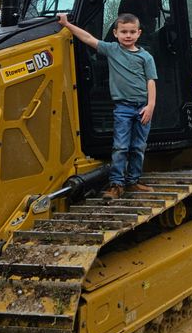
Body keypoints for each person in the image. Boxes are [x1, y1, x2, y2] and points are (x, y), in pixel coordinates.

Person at [58, 11, 157, 199]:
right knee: (120, 146)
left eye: (132, 32)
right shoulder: (112, 50)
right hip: (123, 108)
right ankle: (116, 184)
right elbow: (88, 38)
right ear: (115, 33)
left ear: (139, 33)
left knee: (138, 146)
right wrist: (66, 24)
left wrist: (151, 106)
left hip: (143, 107)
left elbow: (151, 81)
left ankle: (133, 182)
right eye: (124, 32)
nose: (128, 36)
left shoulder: (146, 57)